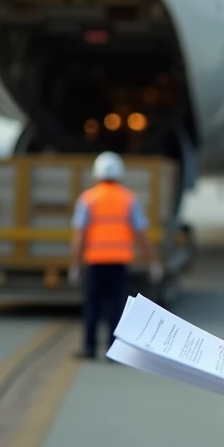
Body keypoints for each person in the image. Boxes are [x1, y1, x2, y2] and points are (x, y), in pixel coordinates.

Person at [70, 151, 163, 359]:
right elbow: (141, 234)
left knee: (92, 306)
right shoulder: (129, 199)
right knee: (116, 307)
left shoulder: (88, 199)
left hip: (95, 263)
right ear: (120, 173)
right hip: (118, 263)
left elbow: (79, 236)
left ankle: (89, 348)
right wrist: (153, 262)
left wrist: (75, 265)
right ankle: (114, 351)